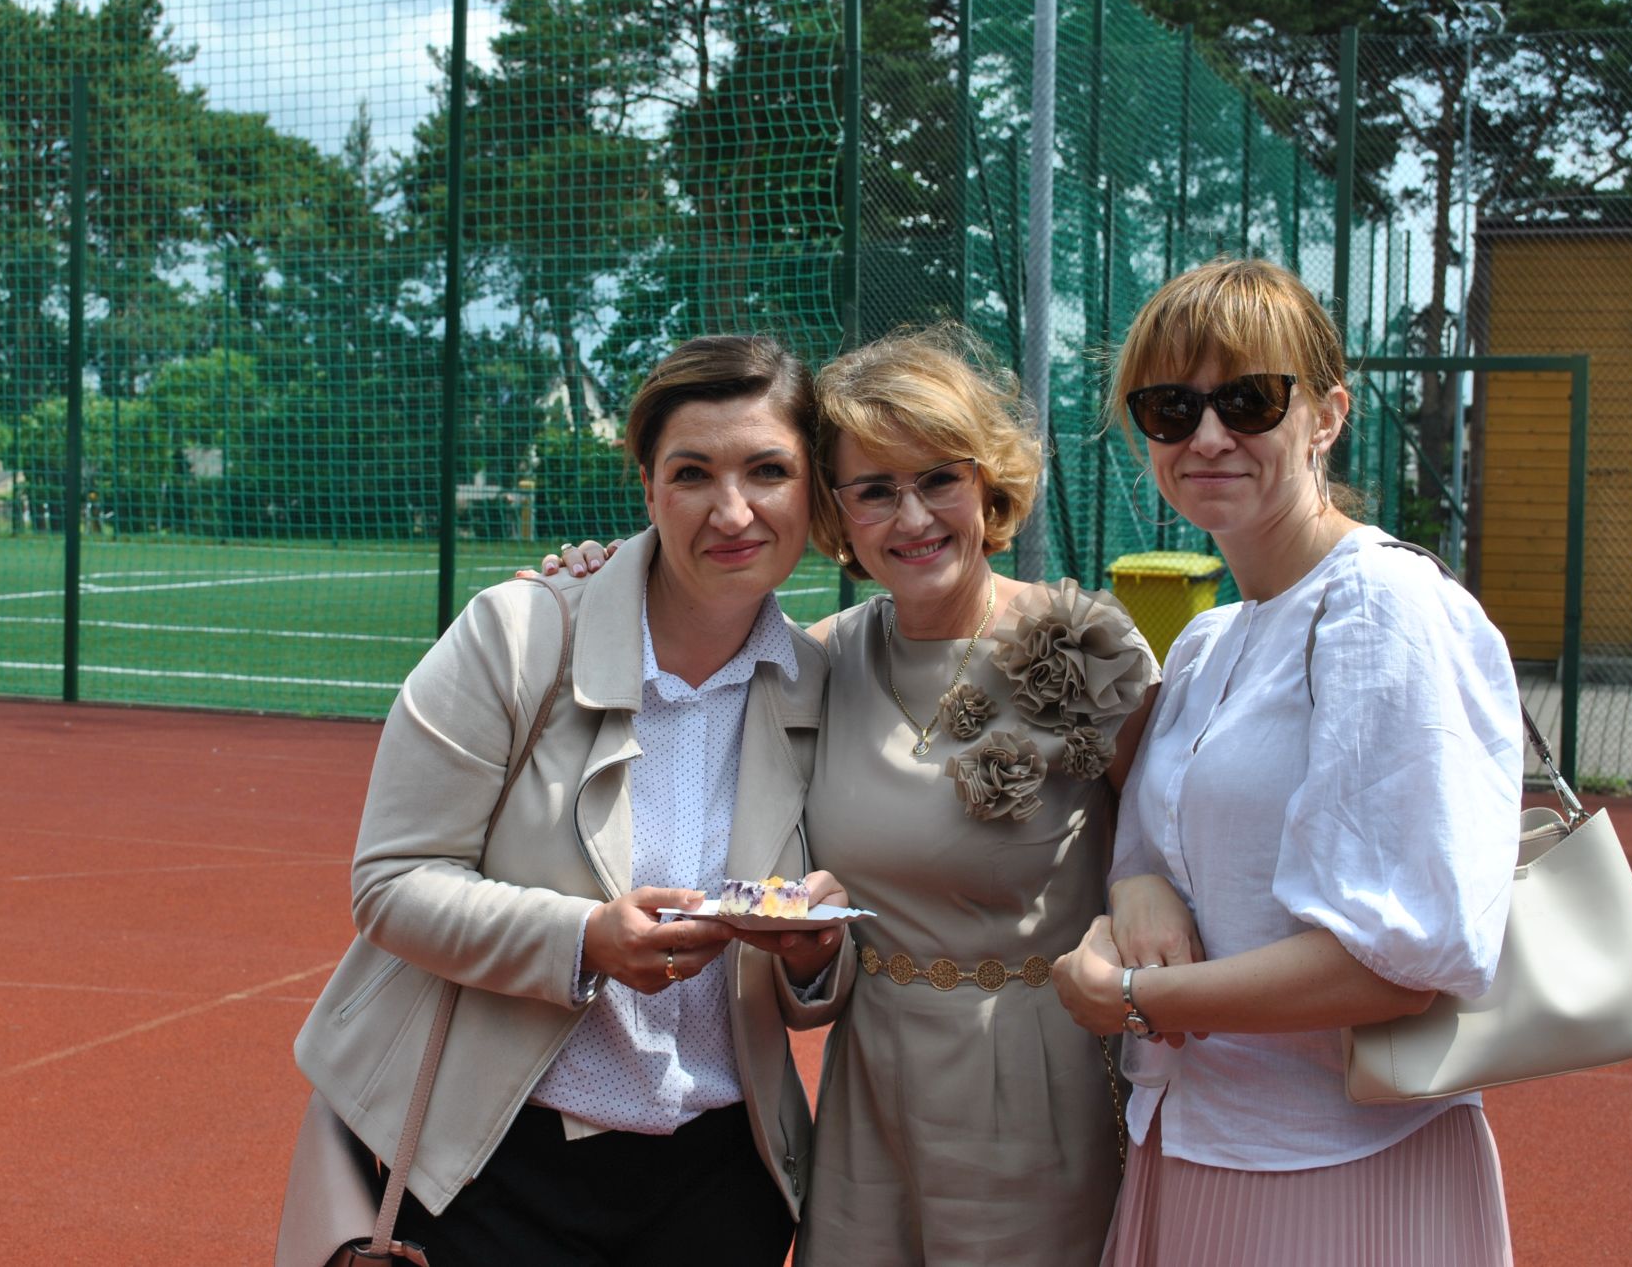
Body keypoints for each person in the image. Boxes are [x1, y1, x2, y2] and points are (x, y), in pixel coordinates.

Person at [545, 323, 1160, 1265]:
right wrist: (590, 579)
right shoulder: (816, 662)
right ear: (836, 512)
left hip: (1039, 1082)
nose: (912, 518)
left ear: (987, 482)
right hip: (870, 1084)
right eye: (874, 490)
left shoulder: (1087, 651)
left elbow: (1168, 848)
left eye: (939, 479)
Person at [288, 335, 853, 1267]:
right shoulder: (516, 637)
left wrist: (813, 952)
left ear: (813, 491)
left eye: (768, 470)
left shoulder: (819, 680)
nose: (733, 510)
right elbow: (391, 883)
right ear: (648, 489)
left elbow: (814, 971)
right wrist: (584, 940)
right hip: (503, 1169)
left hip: (724, 1179)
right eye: (692, 472)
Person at [1050, 257, 1522, 1265]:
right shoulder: (1208, 640)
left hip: (1333, 1159)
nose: (1206, 436)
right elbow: (1159, 849)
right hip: (1190, 1136)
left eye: (1249, 400)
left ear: (1326, 415)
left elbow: (1396, 958)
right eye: (1170, 408)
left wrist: (1131, 999)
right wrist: (1135, 887)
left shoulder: (1382, 605)